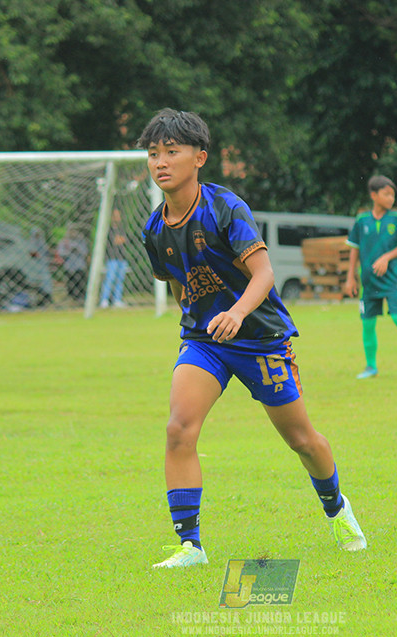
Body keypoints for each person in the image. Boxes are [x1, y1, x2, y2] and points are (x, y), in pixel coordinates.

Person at [137, 108, 366, 568]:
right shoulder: (155, 229)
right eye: (153, 153)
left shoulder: (225, 208)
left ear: (199, 157)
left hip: (261, 338)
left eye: (171, 152)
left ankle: (337, 508)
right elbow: (179, 286)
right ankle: (191, 547)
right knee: (179, 429)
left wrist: (237, 312)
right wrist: (202, 321)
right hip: (205, 341)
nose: (160, 162)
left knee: (301, 439)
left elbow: (263, 273)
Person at [343, 175, 397, 379]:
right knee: (368, 323)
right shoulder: (361, 220)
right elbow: (354, 249)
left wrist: (386, 257)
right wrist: (350, 278)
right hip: (369, 282)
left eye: (393, 195)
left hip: (392, 280)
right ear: (374, 195)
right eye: (386, 194)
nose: (391, 198)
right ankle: (370, 367)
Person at [99, 209, 129, 308]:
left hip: (122, 258)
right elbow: (115, 241)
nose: (117, 218)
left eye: (118, 215)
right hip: (112, 258)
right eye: (115, 215)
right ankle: (104, 300)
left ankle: (117, 300)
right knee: (110, 279)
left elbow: (125, 240)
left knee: (120, 280)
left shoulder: (121, 229)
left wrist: (120, 239)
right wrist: (120, 239)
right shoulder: (109, 229)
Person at [57, 226, 89, 302]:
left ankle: (81, 298)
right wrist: (69, 251)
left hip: (79, 266)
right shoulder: (64, 242)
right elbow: (60, 253)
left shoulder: (81, 241)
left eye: (74, 231)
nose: (73, 233)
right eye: (71, 231)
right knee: (71, 284)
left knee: (80, 283)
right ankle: (72, 299)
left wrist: (78, 249)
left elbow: (85, 253)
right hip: (69, 266)